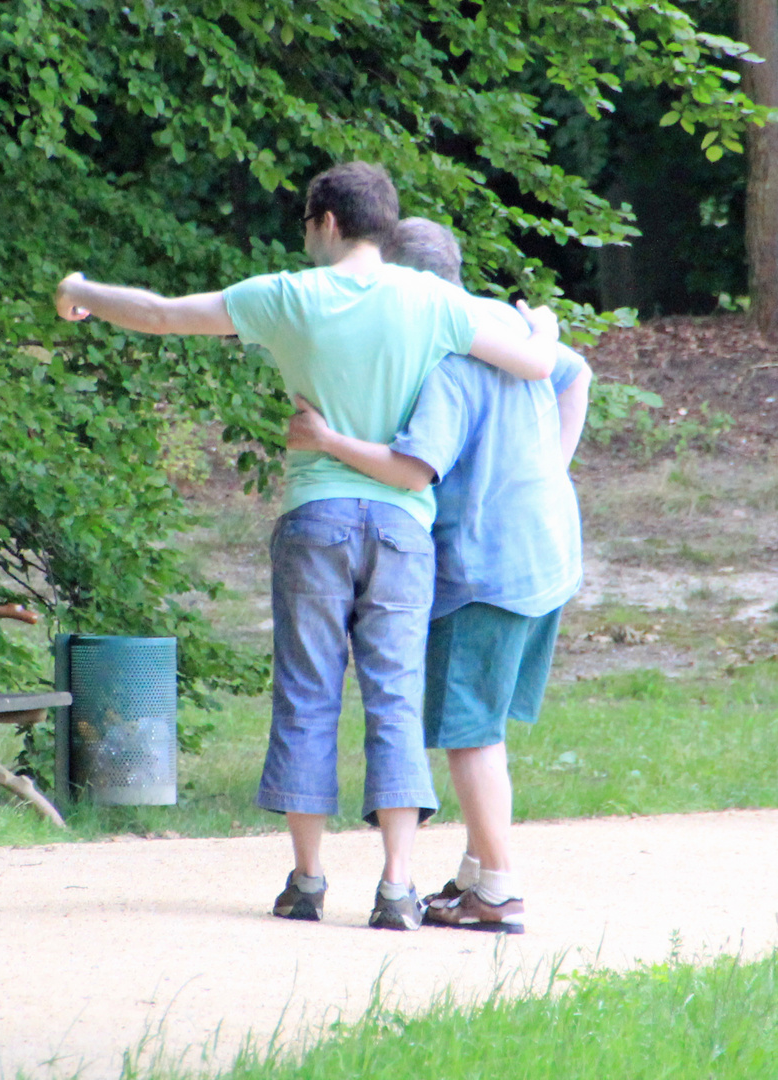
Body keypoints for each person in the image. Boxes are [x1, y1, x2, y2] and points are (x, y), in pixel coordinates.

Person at [53, 162, 560, 930]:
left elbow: (159, 314)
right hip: (401, 528)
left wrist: (80, 290)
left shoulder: (288, 297)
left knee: (307, 693)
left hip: (315, 519)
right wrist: (544, 328)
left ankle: (308, 879)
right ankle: (396, 887)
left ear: (324, 222)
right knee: (394, 699)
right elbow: (534, 365)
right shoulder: (431, 301)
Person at [286, 216, 590, 933]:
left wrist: (326, 440)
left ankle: (499, 892)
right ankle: (475, 874)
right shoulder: (504, 326)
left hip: (482, 566)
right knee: (483, 723)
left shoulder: (443, 359)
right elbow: (577, 375)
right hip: (546, 550)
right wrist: (549, 468)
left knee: (468, 735)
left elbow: (413, 467)